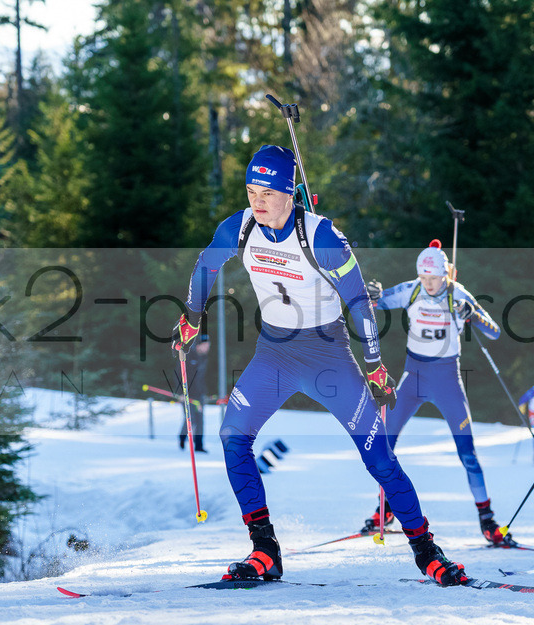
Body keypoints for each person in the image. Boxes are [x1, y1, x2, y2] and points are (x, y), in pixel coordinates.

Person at [172, 144, 468, 586]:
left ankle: (427, 552)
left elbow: (359, 303)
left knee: (378, 457)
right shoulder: (240, 227)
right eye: (251, 191)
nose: (257, 202)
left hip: (328, 355)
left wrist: (374, 365)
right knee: (233, 436)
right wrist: (192, 317)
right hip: (274, 353)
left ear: (289, 193)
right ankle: (265, 549)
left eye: (268, 193)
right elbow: (206, 264)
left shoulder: (322, 236)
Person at [361, 240, 513, 546]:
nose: (428, 284)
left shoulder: (459, 294)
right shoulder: (412, 289)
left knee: (467, 452)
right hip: (414, 378)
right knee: (384, 443)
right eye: (424, 277)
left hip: (447, 380)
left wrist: (472, 314)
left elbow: (494, 331)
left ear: (445, 274)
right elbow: (378, 302)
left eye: (433, 278)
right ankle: (386, 509)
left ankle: (487, 519)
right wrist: (371, 294)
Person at [178, 336, 210, 453]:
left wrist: (204, 392)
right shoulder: (187, 356)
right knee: (191, 418)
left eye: (208, 346)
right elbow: (179, 374)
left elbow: (201, 378)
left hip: (199, 394)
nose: (207, 348)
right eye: (205, 345)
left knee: (200, 419)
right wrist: (181, 392)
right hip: (187, 394)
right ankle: (182, 438)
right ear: (198, 345)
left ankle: (199, 445)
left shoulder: (204, 357)